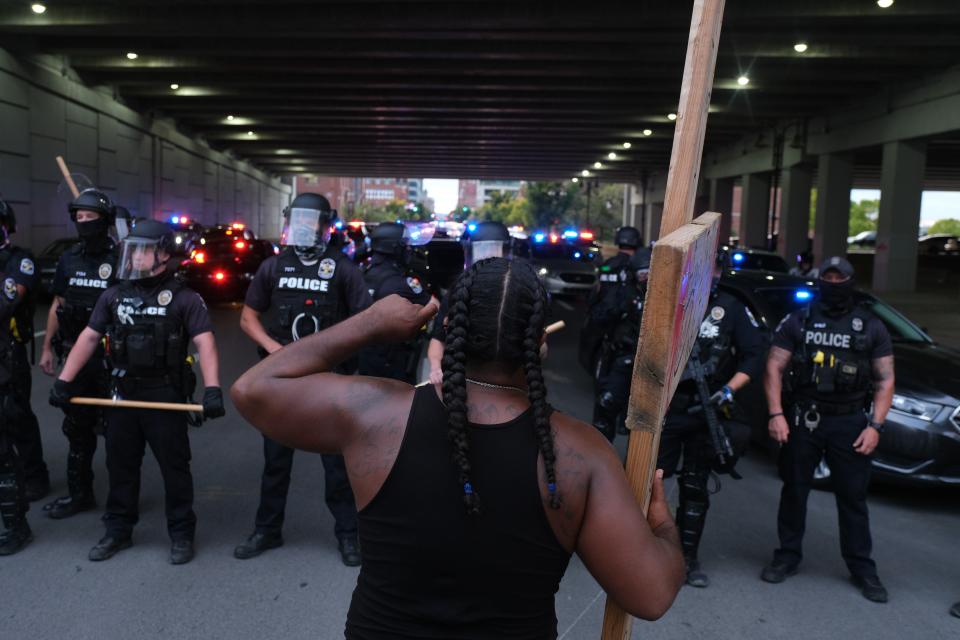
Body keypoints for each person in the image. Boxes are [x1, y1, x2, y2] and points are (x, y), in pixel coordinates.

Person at [231, 257, 684, 638]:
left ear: (449, 328)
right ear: (540, 342)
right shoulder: (582, 452)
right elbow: (652, 594)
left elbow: (254, 389)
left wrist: (372, 324)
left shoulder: (376, 414)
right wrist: (662, 528)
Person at [50, 218, 224, 565]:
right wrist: (64, 380)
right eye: (133, 250)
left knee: (175, 469)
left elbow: (205, 343)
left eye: (143, 250)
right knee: (120, 467)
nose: (135, 257)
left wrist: (212, 389)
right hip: (123, 395)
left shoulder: (184, 298)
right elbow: (88, 337)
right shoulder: (113, 295)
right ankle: (117, 531)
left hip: (165, 396)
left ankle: (181, 534)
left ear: (164, 253)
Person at [233, 192, 371, 566]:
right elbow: (248, 318)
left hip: (328, 384)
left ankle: (348, 536)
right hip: (283, 383)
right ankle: (267, 530)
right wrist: (275, 351)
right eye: (300, 221)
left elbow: (364, 323)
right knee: (275, 462)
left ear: (326, 226)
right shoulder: (273, 267)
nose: (306, 228)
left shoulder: (342, 268)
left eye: (313, 222)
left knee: (336, 466)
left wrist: (334, 352)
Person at [763, 256, 894, 603]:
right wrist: (776, 414)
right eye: (828, 277)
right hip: (805, 417)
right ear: (819, 280)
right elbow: (774, 367)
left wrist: (876, 426)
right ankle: (787, 556)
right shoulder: (800, 319)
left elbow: (885, 379)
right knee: (795, 490)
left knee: (853, 498)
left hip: (850, 422)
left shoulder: (870, 326)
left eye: (840, 278)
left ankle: (862, 568)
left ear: (852, 282)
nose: (834, 284)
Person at [658, 249, 765, 587]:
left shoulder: (732, 305)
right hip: (670, 407)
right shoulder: (668, 297)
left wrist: (730, 390)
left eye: (715, 267)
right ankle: (647, 553)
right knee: (652, 482)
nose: (710, 272)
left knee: (695, 487)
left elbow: (754, 354)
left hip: (708, 407)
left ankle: (687, 559)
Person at [38, 189, 118, 519]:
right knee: (77, 430)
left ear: (106, 221)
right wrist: (46, 348)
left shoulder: (121, 258)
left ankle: (121, 502)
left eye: (90, 217)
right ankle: (79, 494)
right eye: (79, 218)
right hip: (75, 357)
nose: (84, 223)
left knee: (118, 433)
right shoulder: (69, 259)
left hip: (113, 359)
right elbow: (58, 305)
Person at [0, 198, 43, 555]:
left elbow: (8, 300)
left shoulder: (20, 260)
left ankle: (34, 476)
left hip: (8, 352)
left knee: (15, 417)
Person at [426, 221, 513, 385]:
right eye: (483, 251)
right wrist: (436, 368)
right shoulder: (459, 290)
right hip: (463, 383)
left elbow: (538, 347)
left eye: (494, 251)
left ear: (506, 252)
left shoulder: (519, 290)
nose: (488, 258)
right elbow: (438, 339)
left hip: (507, 385)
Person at [359, 222, 433, 383]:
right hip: (393, 361)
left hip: (365, 357)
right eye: (405, 246)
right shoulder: (401, 283)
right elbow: (433, 306)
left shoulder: (362, 273)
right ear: (394, 248)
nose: (409, 250)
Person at [591, 247, 651, 441]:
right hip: (624, 359)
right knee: (606, 404)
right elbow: (598, 316)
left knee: (646, 423)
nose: (647, 279)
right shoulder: (625, 292)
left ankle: (635, 469)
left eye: (650, 273)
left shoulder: (666, 298)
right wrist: (619, 307)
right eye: (643, 274)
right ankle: (601, 456)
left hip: (652, 366)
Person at [579, 226, 642, 376]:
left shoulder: (607, 265)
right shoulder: (636, 267)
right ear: (637, 242)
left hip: (602, 319)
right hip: (623, 323)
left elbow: (596, 292)